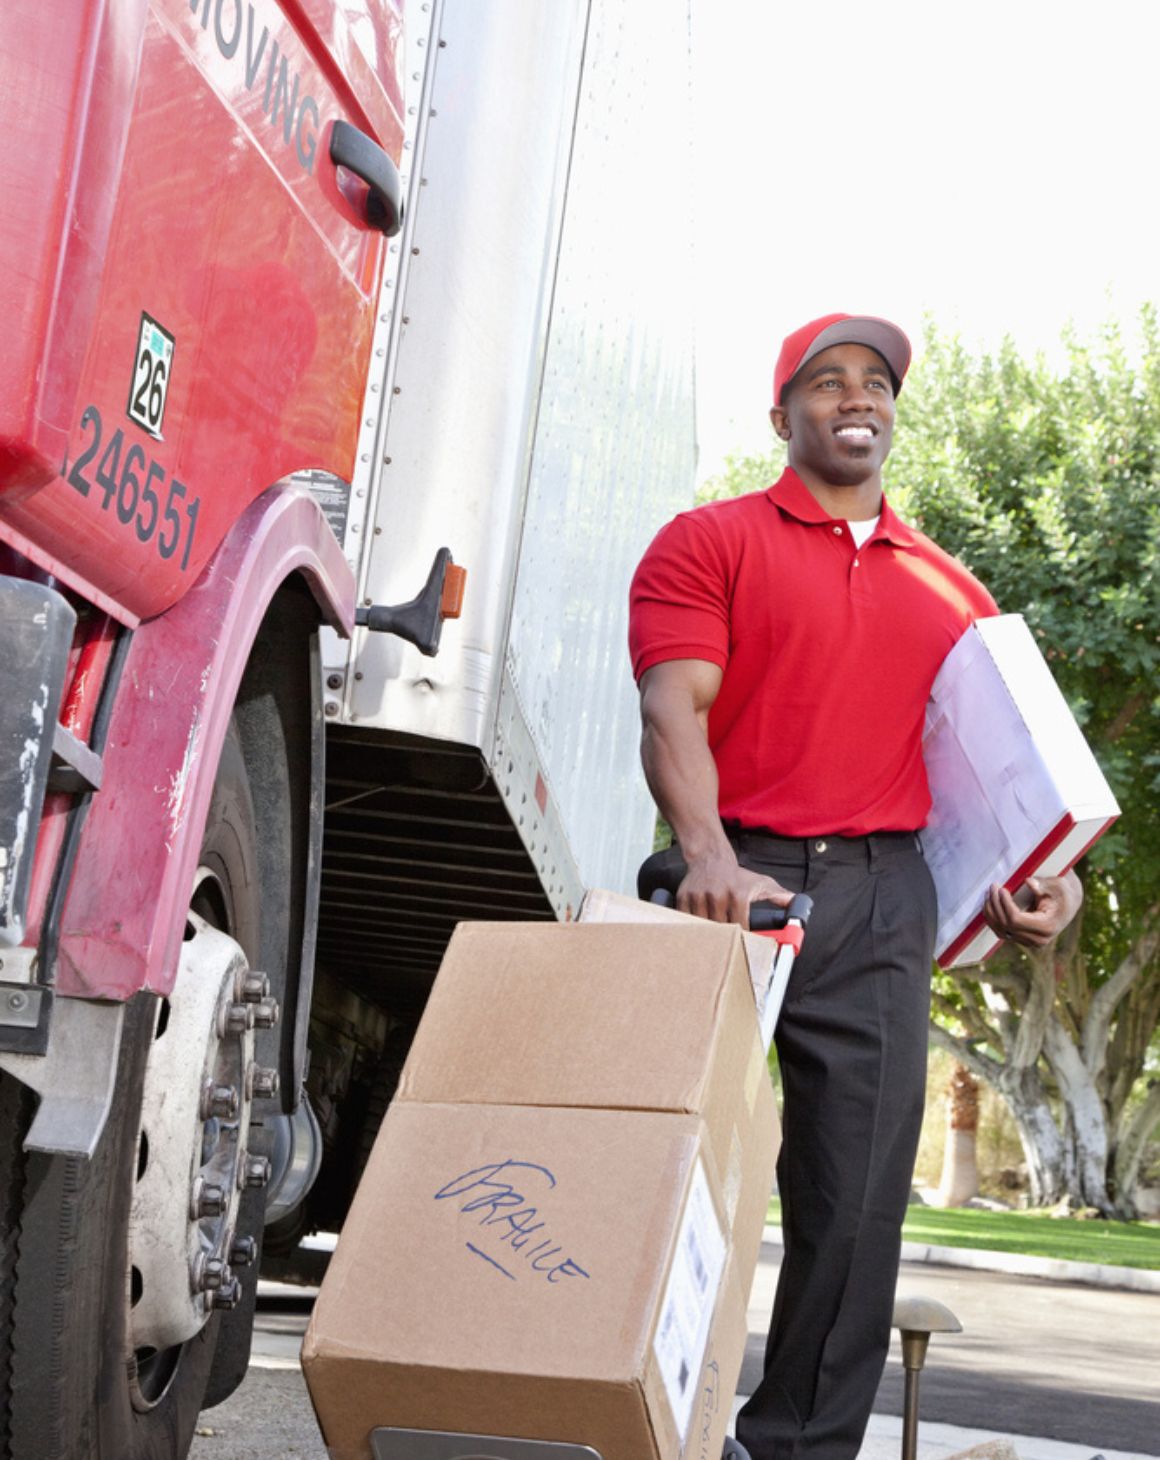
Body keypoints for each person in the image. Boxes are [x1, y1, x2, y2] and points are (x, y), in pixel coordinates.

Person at [627, 313, 1081, 1460]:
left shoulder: (956, 594)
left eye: (872, 382)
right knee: (659, 1163)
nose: (853, 398)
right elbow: (672, 708)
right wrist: (710, 854)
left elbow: (997, 785)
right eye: (824, 382)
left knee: (853, 1205)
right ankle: (618, 1408)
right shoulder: (707, 541)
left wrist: (1039, 888)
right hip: (732, 881)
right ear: (780, 415)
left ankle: (794, 1447)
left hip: (883, 901)